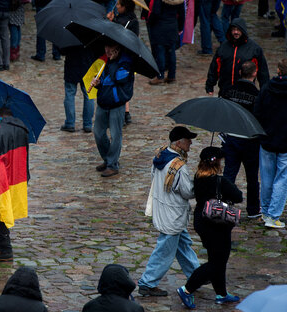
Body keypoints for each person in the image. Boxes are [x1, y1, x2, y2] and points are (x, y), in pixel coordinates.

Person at [175, 147, 243, 309]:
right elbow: (238, 196)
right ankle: (187, 289)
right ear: (217, 162)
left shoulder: (198, 177)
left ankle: (221, 293)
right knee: (217, 263)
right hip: (217, 223)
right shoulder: (221, 181)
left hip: (202, 221)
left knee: (216, 258)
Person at [137, 126, 200, 297]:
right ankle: (147, 282)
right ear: (179, 142)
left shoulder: (160, 154)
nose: (191, 143)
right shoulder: (178, 166)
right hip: (173, 214)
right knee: (165, 250)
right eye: (188, 140)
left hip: (164, 208)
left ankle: (198, 275)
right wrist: (200, 183)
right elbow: (187, 192)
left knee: (183, 245)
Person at [0, 108, 29, 262]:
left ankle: (5, 248)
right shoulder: (22, 129)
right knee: (5, 209)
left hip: (0, 178)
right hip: (17, 177)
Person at [220, 61, 261, 219]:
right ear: (254, 74)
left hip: (231, 137)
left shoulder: (228, 90)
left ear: (239, 73)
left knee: (229, 173)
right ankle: (253, 209)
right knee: (252, 177)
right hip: (250, 140)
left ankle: (224, 205)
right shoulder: (257, 94)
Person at [90, 42, 134, 177]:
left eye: (110, 47)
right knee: (98, 133)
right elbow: (106, 82)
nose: (107, 50)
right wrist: (98, 83)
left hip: (117, 104)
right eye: (106, 47)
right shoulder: (107, 62)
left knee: (115, 135)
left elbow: (119, 78)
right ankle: (108, 159)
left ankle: (112, 165)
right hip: (103, 102)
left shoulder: (125, 62)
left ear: (118, 48)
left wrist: (112, 63)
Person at [254, 59, 287, 229]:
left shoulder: (267, 88)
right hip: (284, 142)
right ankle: (273, 215)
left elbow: (257, 111)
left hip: (267, 139)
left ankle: (266, 212)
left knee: (266, 178)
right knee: (282, 178)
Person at [206, 18, 269, 97]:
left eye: (238, 29)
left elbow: (263, 72)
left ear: (243, 30)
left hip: (245, 93)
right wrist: (210, 85)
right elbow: (214, 67)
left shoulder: (254, 49)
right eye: (233, 29)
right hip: (225, 91)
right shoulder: (223, 47)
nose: (235, 32)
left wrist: (265, 91)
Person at [109, 0, 138, 124]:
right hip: (127, 57)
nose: (116, 6)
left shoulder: (125, 21)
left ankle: (123, 112)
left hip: (123, 57)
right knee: (124, 83)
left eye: (119, 5)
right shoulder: (131, 20)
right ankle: (126, 112)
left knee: (119, 82)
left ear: (124, 7)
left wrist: (110, 22)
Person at [142, 0, 184, 85]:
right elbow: (182, 14)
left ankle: (160, 76)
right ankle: (172, 75)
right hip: (172, 26)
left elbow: (155, 12)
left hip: (160, 26)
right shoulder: (179, 1)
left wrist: (150, 22)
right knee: (171, 52)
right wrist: (180, 27)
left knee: (160, 51)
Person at [60, 45, 95, 133]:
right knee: (89, 95)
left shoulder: (70, 32)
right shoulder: (94, 33)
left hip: (72, 65)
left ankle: (70, 123)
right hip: (88, 65)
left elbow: (62, 50)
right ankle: (87, 124)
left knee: (70, 94)